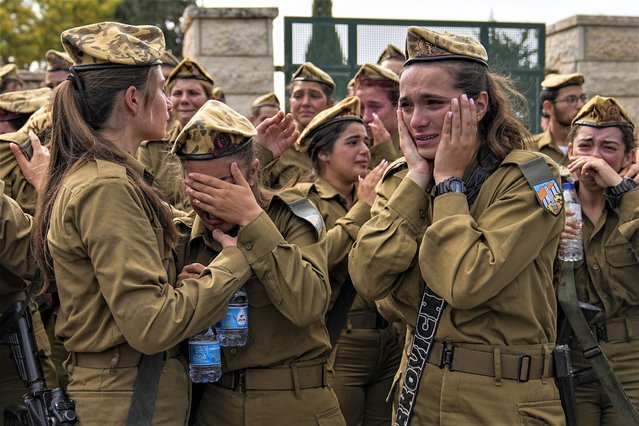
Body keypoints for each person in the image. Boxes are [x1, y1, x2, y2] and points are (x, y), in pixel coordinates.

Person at [32, 21, 257, 425]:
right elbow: (151, 325)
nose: (171, 103)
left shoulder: (111, 178)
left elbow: (124, 302)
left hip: (132, 391)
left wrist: (175, 284)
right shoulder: (107, 188)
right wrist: (233, 264)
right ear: (134, 100)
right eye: (164, 89)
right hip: (129, 400)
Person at [349, 26, 566, 424]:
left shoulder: (529, 177)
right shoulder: (403, 177)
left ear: (479, 105)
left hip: (501, 400)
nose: (417, 119)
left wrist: (449, 183)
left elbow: (466, 282)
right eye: (406, 103)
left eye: (433, 102)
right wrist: (418, 181)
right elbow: (367, 277)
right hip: (419, 390)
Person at [170, 99, 344, 425]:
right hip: (216, 406)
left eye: (223, 184)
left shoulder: (292, 216)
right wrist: (193, 296)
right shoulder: (184, 238)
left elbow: (308, 303)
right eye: (198, 187)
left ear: (252, 173)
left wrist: (252, 220)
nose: (211, 200)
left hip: (296, 405)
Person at [294, 96, 400, 425]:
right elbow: (315, 259)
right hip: (342, 342)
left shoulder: (373, 194)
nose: (365, 150)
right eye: (352, 142)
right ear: (324, 153)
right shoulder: (302, 199)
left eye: (367, 142)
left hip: (390, 340)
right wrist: (362, 209)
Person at [561, 96, 639, 425]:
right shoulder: (548, 205)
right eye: (586, 145)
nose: (594, 158)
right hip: (573, 357)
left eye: (608, 147)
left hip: (632, 361)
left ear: (629, 155)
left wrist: (621, 189)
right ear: (569, 152)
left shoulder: (634, 202)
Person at [137, 56, 215, 210]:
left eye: (193, 93)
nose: (184, 100)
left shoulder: (226, 143)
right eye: (177, 93)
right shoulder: (152, 147)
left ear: (210, 101)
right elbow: (149, 200)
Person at [261, 62, 335, 189]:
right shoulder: (279, 144)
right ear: (290, 102)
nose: (305, 103)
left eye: (314, 96)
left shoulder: (342, 143)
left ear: (330, 104)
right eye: (298, 96)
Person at [534, 73, 587, 168]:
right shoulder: (529, 148)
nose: (581, 105)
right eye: (571, 100)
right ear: (548, 107)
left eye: (582, 98)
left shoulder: (595, 149)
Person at [353, 63, 401, 165]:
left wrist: (384, 153)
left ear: (397, 107)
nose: (365, 117)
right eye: (360, 108)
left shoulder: (416, 147)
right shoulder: (351, 147)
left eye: (375, 107)